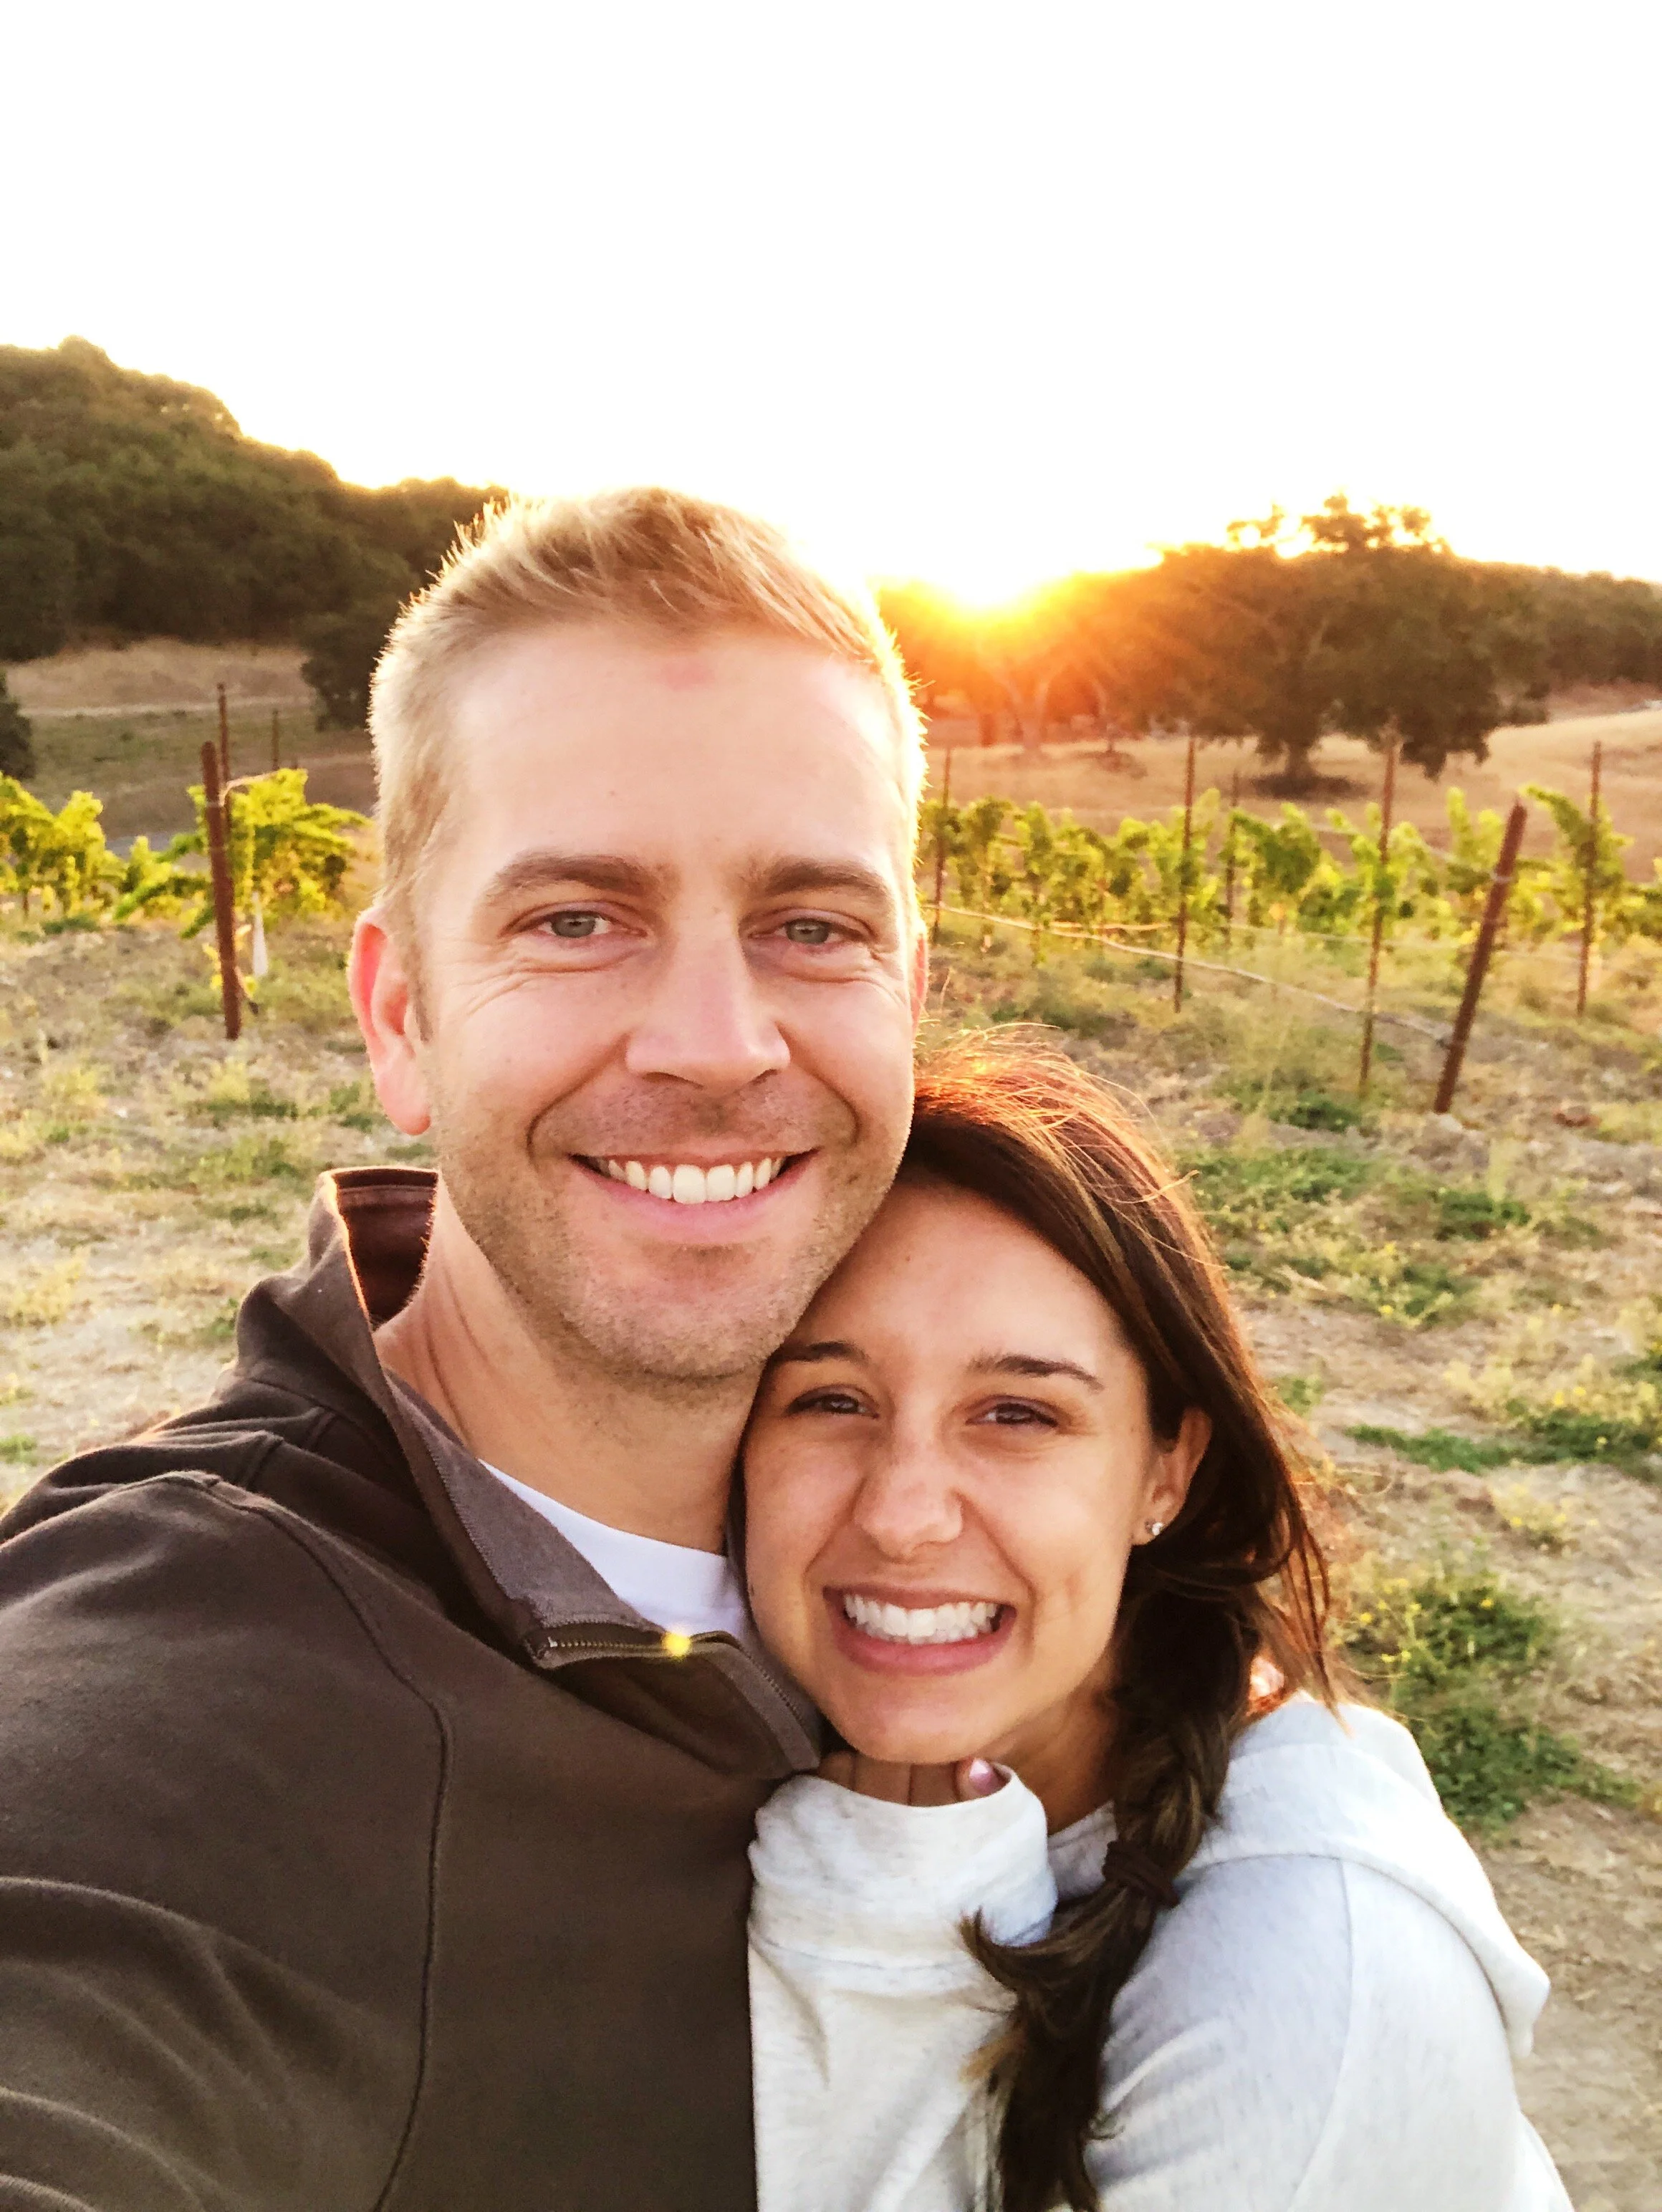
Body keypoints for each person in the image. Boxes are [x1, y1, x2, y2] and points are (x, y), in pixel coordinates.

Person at [0, 489, 926, 2210]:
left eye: (813, 925)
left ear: (910, 992)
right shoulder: (190, 1697)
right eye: (576, 917)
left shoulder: (959, 1511)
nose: (718, 1043)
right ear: (400, 1016)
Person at [741, 1040, 1571, 2212]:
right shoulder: (720, 1732)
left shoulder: (1303, 1989)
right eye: (830, 1399)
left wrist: (878, 1941)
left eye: (1018, 1414)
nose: (903, 1515)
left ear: (1166, 1471)